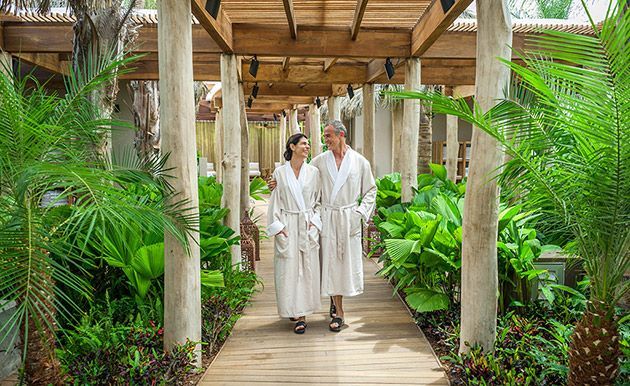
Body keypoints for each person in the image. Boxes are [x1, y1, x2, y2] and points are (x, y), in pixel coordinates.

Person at [310, 120, 376, 332]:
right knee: (330, 263)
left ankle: (335, 301)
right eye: (324, 135)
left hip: (348, 218)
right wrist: (277, 183)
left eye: (328, 135)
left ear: (341, 135)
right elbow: (304, 182)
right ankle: (339, 312)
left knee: (343, 264)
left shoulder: (360, 162)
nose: (325, 139)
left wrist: (360, 213)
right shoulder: (319, 161)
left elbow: (371, 190)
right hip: (328, 216)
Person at [267, 133, 322, 334]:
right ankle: (292, 308)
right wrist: (279, 227)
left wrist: (314, 223)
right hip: (288, 224)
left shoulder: (314, 172)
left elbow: (318, 201)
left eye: (308, 144)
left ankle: (301, 315)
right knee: (288, 271)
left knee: (306, 271)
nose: (307, 147)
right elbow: (275, 201)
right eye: (303, 143)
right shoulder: (280, 173)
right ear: (292, 146)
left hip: (307, 224)